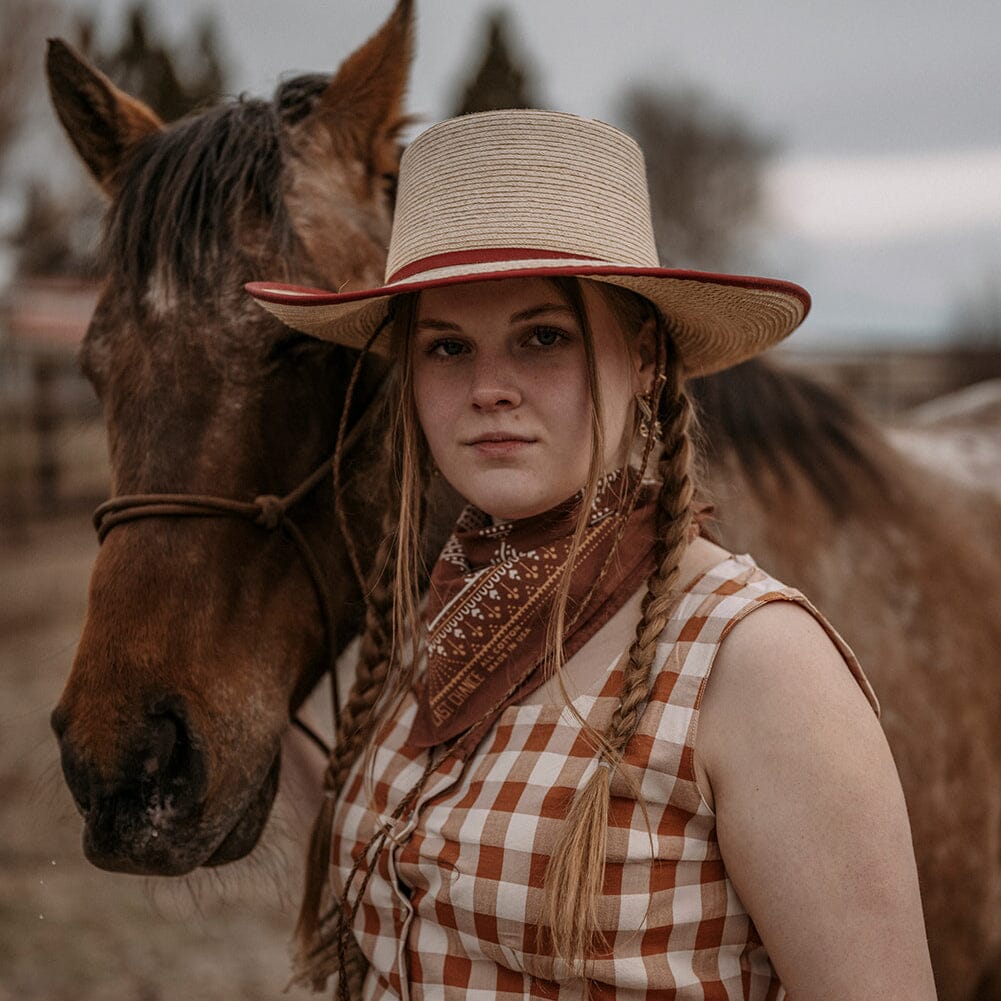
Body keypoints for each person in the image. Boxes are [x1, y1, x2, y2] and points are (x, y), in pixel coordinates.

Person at [247, 110, 936, 1001]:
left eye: (543, 336)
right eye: (447, 346)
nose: (489, 388)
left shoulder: (757, 666)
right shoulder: (438, 626)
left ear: (644, 357)